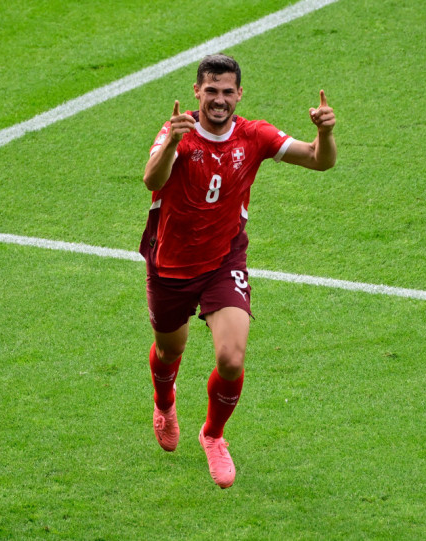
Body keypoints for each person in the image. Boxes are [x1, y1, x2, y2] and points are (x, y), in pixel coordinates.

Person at [140, 54, 336, 489]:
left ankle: (213, 435)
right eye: (211, 90)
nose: (219, 99)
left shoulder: (254, 135)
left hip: (224, 260)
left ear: (239, 94)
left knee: (231, 358)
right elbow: (152, 180)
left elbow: (319, 161)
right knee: (170, 351)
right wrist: (171, 144)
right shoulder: (178, 132)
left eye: (227, 91)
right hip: (171, 262)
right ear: (197, 92)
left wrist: (324, 132)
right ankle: (165, 400)